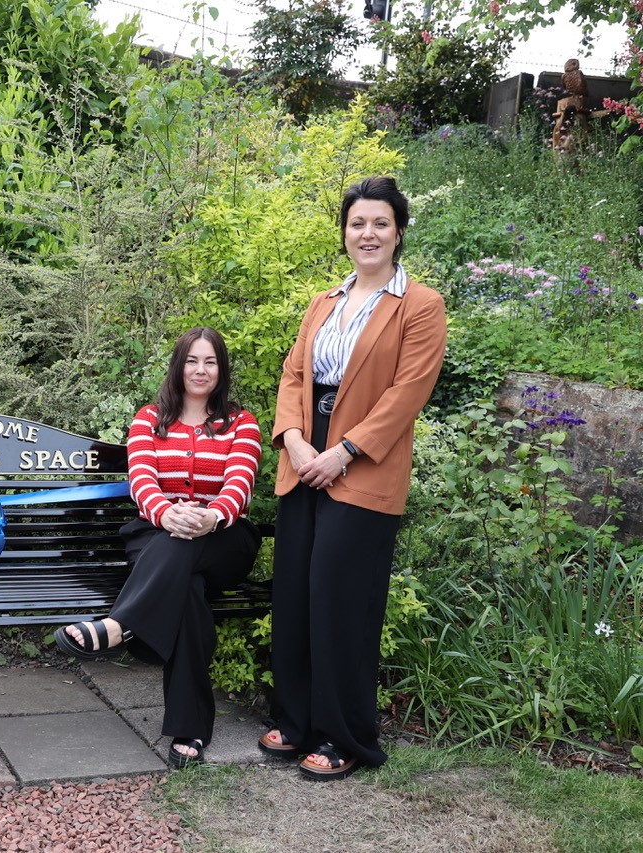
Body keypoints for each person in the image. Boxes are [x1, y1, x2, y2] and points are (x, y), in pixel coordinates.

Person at [258, 176, 447, 780]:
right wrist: (292, 439)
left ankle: (343, 737)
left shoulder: (420, 305)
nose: (367, 234)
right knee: (294, 595)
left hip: (362, 465)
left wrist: (342, 451)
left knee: (341, 602)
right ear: (344, 232)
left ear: (399, 232)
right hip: (302, 456)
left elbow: (406, 394)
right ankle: (293, 722)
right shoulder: (324, 302)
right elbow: (294, 375)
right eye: (357, 223)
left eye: (380, 224)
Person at [53, 327, 263, 770]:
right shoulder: (149, 419)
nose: (201, 370)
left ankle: (119, 626)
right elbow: (141, 480)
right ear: (178, 365)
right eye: (192, 360)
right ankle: (190, 729)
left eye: (210, 362)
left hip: (225, 539)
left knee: (185, 551)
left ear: (221, 369)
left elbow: (240, 483)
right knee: (185, 583)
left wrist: (211, 517)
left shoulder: (241, 422)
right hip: (158, 533)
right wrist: (168, 514)